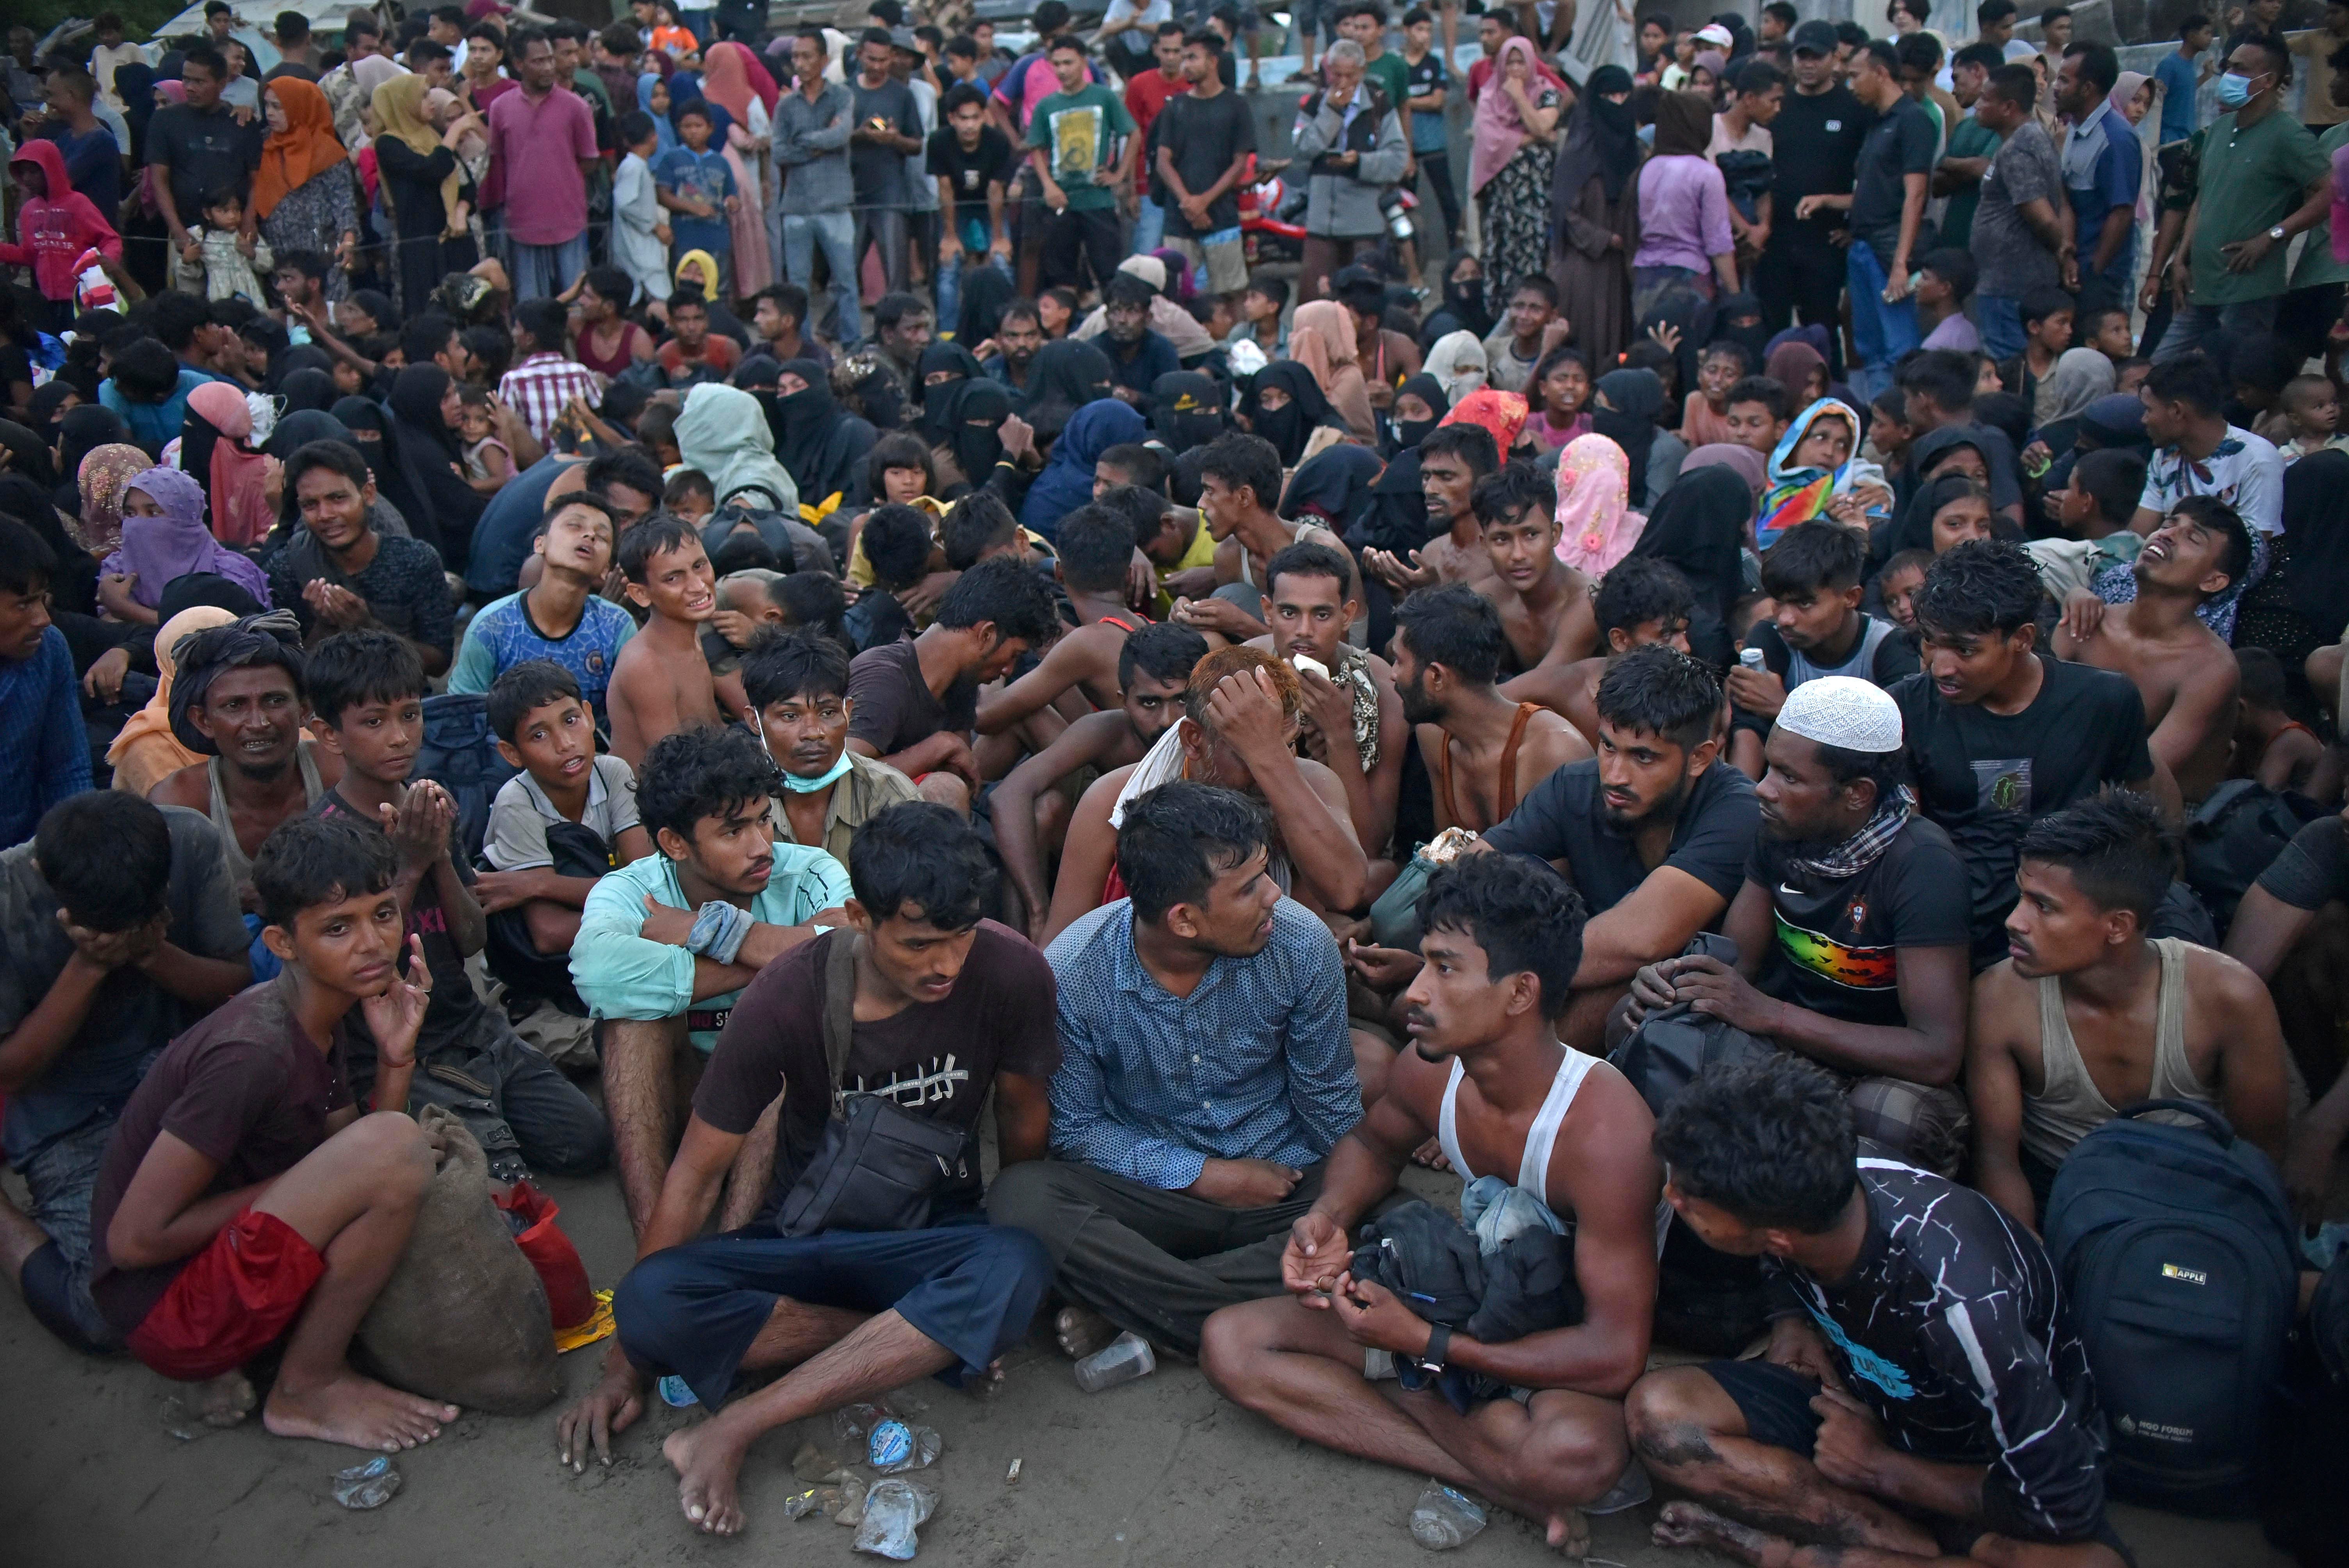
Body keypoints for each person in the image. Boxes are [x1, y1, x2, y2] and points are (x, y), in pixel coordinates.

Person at [556, 803, 1055, 1536]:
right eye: (919, 944)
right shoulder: (787, 996)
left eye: (960, 937)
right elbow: (695, 1178)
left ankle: (735, 1425)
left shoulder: (1011, 971)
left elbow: (1021, 1121)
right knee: (649, 1303)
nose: (945, 964)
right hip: (804, 1239)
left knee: (1018, 1259)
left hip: (926, 1236)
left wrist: (1008, 1227)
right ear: (858, 916)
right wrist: (624, 1367)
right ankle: (912, 1341)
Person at [1201, 852, 1661, 1557]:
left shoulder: (1604, 1137)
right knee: (1231, 1345)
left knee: (1574, 1457)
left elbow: (1614, 1354)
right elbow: (1376, 1144)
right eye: (1424, 965)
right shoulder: (1431, 1070)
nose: (1415, 992)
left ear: (1520, 993)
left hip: (1552, 1341)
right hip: (1460, 1296)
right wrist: (1331, 1216)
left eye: (1445, 969)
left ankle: (1440, 1407)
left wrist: (1424, 1345)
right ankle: (1497, 1481)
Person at [1625, 1054, 2132, 1568]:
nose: (1672, 1197)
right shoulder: (1826, 1181)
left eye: (1690, 1200)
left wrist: (1877, 1466)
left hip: (1983, 1469)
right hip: (1865, 1409)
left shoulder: (1964, 1312)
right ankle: (1905, 1544)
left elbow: (2065, 1502)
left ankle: (1810, 1550)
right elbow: (1774, 1257)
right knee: (1663, 1418)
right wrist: (1791, 1323)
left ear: (1777, 1236)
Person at [84, 811, 464, 1452]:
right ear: (284, 944)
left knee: (399, 1151)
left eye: (383, 914)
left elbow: (349, 1151)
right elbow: (134, 1240)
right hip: (175, 1317)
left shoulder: (322, 1012)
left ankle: (300, 1356)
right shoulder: (250, 1053)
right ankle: (306, 1386)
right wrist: (307, 1180)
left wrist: (396, 1056)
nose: (372, 942)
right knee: (398, 1149)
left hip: (233, 1267)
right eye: (337, 928)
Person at [988, 781, 1363, 1363]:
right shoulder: (1074, 971)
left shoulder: (1300, 945)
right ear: (1184, 920)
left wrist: (1337, 1206)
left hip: (1283, 1187)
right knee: (1021, 1199)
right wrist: (1206, 1176)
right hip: (1153, 1200)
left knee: (1383, 1218)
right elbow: (1078, 1129)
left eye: (1266, 875)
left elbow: (1330, 1103)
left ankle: (1136, 1309)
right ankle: (1236, 1311)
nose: (1272, 897)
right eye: (1248, 889)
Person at [1626, 677, 1974, 1174]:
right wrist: (1670, 983)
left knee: (1895, 1117)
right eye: (1768, 766)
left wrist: (1773, 1015)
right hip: (1791, 1049)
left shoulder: (1922, 866)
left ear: (1857, 794)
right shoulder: (1782, 830)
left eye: (1788, 777)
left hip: (1883, 1068)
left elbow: (1936, 1052)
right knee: (1639, 1022)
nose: (1763, 787)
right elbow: (1737, 962)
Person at [570, 725, 852, 1237]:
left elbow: (851, 953)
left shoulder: (809, 871)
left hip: (785, 1111)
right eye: (733, 831)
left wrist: (699, 932)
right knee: (631, 1024)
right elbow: (597, 974)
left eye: (765, 819)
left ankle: (733, 1246)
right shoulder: (633, 890)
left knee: (776, 1027)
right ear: (675, 843)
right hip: (680, 1095)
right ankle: (656, 1248)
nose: (761, 845)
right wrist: (774, 953)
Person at [1969, 788, 2288, 1228]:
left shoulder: (2229, 998)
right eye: (2022, 895)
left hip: (2194, 1204)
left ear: (2117, 925)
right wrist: (2032, 1266)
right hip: (2059, 1202)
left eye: (2043, 906)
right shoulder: (1997, 998)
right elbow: (1998, 1162)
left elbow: (2260, 1162)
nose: (2014, 921)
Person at [0, 793, 250, 1352]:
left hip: (180, 1078)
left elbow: (233, 984)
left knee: (265, 1246)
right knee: (107, 1316)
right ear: (47, 875)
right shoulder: (8, 893)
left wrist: (150, 953)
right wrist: (89, 965)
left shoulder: (188, 840)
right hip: (68, 1116)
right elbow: (11, 1072)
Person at [1460, 645, 1759, 1049]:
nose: (1615, 775)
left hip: (1695, 1018)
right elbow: (1467, 873)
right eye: (1608, 747)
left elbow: (1638, 940)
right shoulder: (1574, 787)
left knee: (1627, 980)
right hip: (1554, 975)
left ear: (1699, 758)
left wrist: (1490, 972)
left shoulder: (1737, 810)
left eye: (1643, 757)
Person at [1893, 541, 2167, 973]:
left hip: (2068, 920)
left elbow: (2137, 824)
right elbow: (1907, 845)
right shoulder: (1905, 708)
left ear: (2021, 639)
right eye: (1931, 643)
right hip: (1955, 921)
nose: (1941, 667)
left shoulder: (2104, 701)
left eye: (1964, 649)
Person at [1044, 647, 1369, 939]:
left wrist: (1272, 756)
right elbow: (1062, 950)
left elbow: (1344, 891)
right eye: (1247, 750)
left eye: (1285, 747)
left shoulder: (1306, 781)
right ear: (1194, 740)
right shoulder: (1112, 801)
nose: (1265, 770)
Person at [994, 621, 1207, 939]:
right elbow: (1009, 794)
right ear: (1124, 700)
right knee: (1044, 810)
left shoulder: (1221, 742)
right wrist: (1037, 906)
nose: (1168, 720)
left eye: (1182, 701)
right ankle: (1019, 942)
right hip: (1092, 863)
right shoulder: (1108, 733)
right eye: (1150, 703)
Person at [475, 660, 652, 1012]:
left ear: (588, 716)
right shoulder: (517, 803)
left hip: (606, 950)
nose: (565, 743)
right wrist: (652, 921)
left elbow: (644, 882)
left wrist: (538, 885)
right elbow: (550, 935)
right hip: (540, 983)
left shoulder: (612, 772)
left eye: (571, 720)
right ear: (512, 753)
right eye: (538, 735)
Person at [2053, 496, 2247, 803]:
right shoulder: (2083, 623)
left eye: (2192, 537)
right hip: (2064, 792)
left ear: (2213, 581)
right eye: (2169, 523)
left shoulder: (2210, 668)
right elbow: (2031, 719)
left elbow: (2140, 780)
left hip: (2156, 826)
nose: (2167, 534)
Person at [2155, 33, 2329, 365]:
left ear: (2269, 80)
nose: (2229, 75)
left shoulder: (2288, 136)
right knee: (2162, 370)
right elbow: (2204, 197)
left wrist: (2274, 235)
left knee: (2234, 381)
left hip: (2249, 293)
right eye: (2229, 67)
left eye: (2241, 69)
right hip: (2201, 287)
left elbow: (2330, 192)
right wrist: (2181, 259)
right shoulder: (2219, 131)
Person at [843, 554, 1058, 812]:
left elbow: (961, 767)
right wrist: (937, 748)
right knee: (943, 789)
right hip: (867, 828)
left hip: (923, 821)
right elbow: (842, 781)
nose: (1008, 671)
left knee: (1046, 806)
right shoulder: (883, 677)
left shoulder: (962, 680)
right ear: (987, 635)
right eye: (1014, 655)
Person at [1727, 523, 1920, 779]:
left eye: (1804, 603)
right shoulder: (1769, 639)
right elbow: (1748, 741)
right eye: (1779, 602)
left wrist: (1785, 708)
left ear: (1851, 597)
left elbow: (1892, 749)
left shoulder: (1887, 647)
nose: (1784, 619)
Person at [1396, 583, 1589, 839]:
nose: (1393, 674)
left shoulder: (1553, 751)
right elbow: (1445, 852)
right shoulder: (1433, 735)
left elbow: (1566, 872)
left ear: (1437, 677)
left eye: (1399, 661)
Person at [1806, 41, 1934, 401]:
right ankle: (1881, 422)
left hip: (1891, 247)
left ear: (1880, 73)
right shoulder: (1877, 124)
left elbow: (1916, 196)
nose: (1851, 85)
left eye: (1855, 76)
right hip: (1862, 245)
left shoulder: (1913, 120)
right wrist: (1828, 201)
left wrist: (1901, 264)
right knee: (1869, 348)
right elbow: (1872, 191)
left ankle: (1904, 418)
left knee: (1900, 348)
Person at [261, 440, 455, 675]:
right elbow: (286, 674)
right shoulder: (288, 567)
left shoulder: (415, 561)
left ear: (368, 495)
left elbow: (439, 663)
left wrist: (368, 627)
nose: (325, 515)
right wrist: (324, 627)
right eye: (311, 504)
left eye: (338, 499)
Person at [447, 494, 638, 732]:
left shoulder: (617, 626)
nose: (589, 536)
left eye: (602, 537)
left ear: (606, 569)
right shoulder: (492, 626)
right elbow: (461, 715)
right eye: (574, 526)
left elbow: (633, 717)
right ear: (540, 544)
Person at [740, 627, 920, 873]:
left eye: (828, 713)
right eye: (790, 716)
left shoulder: (890, 797)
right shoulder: (729, 798)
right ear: (754, 721)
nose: (814, 732)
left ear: (849, 711)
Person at [1504, 555, 1694, 744]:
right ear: (1620, 640)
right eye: (1668, 636)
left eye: (1684, 632)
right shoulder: (1570, 689)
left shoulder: (1693, 693)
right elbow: (1487, 705)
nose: (1685, 648)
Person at [1761, 23, 1868, 356]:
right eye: (1801, 56)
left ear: (1836, 58)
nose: (1808, 65)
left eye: (1816, 57)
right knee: (1771, 326)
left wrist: (1855, 226)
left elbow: (1871, 177)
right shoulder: (1778, 105)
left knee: (1822, 329)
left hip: (1825, 238)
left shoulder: (1854, 108)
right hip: (1775, 236)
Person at [487, 29, 601, 302]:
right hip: (522, 222)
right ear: (518, 65)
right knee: (530, 304)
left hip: (568, 221)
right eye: (538, 61)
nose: (548, 67)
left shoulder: (576, 107)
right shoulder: (500, 108)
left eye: (550, 59)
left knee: (574, 303)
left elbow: (589, 160)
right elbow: (499, 160)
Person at [1293, 40, 1408, 307]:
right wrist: (1332, 112)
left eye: (1351, 75)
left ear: (1362, 71)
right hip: (1322, 223)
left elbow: (1397, 160)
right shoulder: (1315, 103)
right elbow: (1303, 149)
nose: (1343, 82)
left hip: (1364, 224)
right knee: (1314, 302)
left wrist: (1360, 163)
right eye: (1337, 74)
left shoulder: (1379, 105)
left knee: (1361, 304)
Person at [1023, 36, 1133, 296]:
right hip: (1061, 200)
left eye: (1069, 63)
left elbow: (1132, 133)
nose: (1063, 70)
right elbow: (1035, 147)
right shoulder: (1046, 105)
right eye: (1057, 64)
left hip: (1098, 199)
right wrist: (1049, 186)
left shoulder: (1104, 97)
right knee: (1061, 275)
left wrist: (1119, 174)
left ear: (1084, 62)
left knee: (1109, 272)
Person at [773, 30, 863, 348]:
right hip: (796, 205)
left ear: (824, 60)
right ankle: (805, 347)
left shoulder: (842, 96)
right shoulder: (785, 107)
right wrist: (819, 141)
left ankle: (854, 345)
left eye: (807, 56)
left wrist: (805, 141)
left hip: (835, 203)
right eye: (796, 56)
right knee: (798, 286)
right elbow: (779, 153)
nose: (800, 63)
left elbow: (841, 136)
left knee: (846, 282)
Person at [1155, 31, 1254, 302]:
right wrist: (1188, 202)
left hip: (1222, 216)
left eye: (1192, 58)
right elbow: (1163, 160)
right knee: (1173, 295)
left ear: (1213, 61)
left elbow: (1239, 163)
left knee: (1232, 295)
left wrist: (1204, 201)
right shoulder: (1176, 106)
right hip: (1179, 218)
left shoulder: (1236, 105)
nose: (1185, 64)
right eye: (1183, 58)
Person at [145, 48, 262, 276]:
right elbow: (159, 180)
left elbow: (257, 179)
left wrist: (249, 220)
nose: (190, 87)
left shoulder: (241, 122)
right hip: (187, 231)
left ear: (222, 83)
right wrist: (177, 230)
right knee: (186, 301)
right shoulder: (164, 121)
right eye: (186, 79)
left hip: (232, 234)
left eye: (199, 82)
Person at [1469, 36, 1563, 314]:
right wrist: (1532, 138)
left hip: (1537, 194)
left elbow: (1544, 125)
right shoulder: (1489, 95)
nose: (1515, 69)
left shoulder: (1548, 92)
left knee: (1535, 254)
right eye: (1509, 63)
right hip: (1504, 197)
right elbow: (1488, 139)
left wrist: (1520, 96)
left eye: (1521, 62)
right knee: (1503, 256)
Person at [1633, 91, 1738, 321]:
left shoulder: (1646, 169)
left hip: (1645, 278)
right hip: (1690, 277)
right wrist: (1735, 295)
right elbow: (1719, 242)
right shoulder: (1707, 174)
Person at [2055, 44, 2138, 323]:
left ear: (2088, 88)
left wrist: (2096, 270)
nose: (2056, 87)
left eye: (2065, 81)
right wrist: (2067, 251)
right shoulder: (2075, 129)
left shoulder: (2116, 138)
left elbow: (2123, 211)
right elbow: (2066, 195)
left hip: (2100, 276)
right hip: (2077, 266)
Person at [497, 299, 604, 450]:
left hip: (537, 466)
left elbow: (507, 430)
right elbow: (599, 415)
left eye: (517, 328)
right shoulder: (580, 373)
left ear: (530, 339)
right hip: (580, 459)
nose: (514, 334)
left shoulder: (513, 380)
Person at [2157, 14, 2212, 147]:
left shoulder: (2189, 64)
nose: (2210, 39)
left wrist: (2206, 76)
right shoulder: (2169, 64)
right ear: (2192, 36)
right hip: (2170, 141)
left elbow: (2183, 90)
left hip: (2186, 139)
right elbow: (2156, 102)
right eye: (2207, 33)